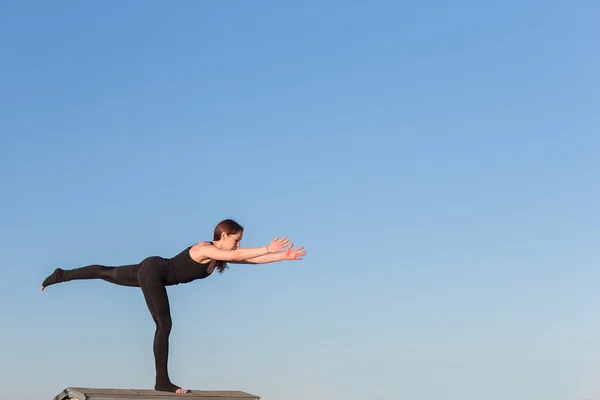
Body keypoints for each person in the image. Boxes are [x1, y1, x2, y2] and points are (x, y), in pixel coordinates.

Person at [40, 219, 306, 394]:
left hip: (151, 268)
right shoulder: (205, 248)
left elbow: (246, 261)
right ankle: (162, 381)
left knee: (106, 272)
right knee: (164, 324)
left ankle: (62, 274)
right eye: (236, 239)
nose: (239, 244)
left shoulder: (219, 256)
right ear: (223, 236)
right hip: (154, 272)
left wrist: (280, 257)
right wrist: (266, 247)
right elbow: (238, 254)